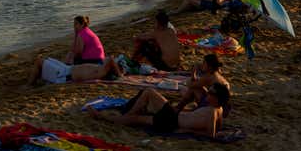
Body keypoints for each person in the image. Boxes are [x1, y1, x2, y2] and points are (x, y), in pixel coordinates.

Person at [87, 83, 230, 139]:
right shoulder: (218, 109)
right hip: (173, 118)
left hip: (171, 121)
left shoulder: (212, 111)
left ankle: (103, 116)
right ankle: (117, 115)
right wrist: (220, 132)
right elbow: (217, 129)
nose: (208, 94)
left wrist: (186, 132)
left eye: (211, 93)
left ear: (217, 98)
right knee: (138, 115)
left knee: (148, 93)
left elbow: (209, 135)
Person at [28, 55, 122, 85]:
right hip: (66, 69)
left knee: (39, 61)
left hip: (63, 75)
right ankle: (38, 78)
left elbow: (110, 59)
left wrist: (120, 75)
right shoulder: (100, 69)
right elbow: (110, 59)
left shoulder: (102, 71)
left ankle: (29, 85)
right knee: (44, 59)